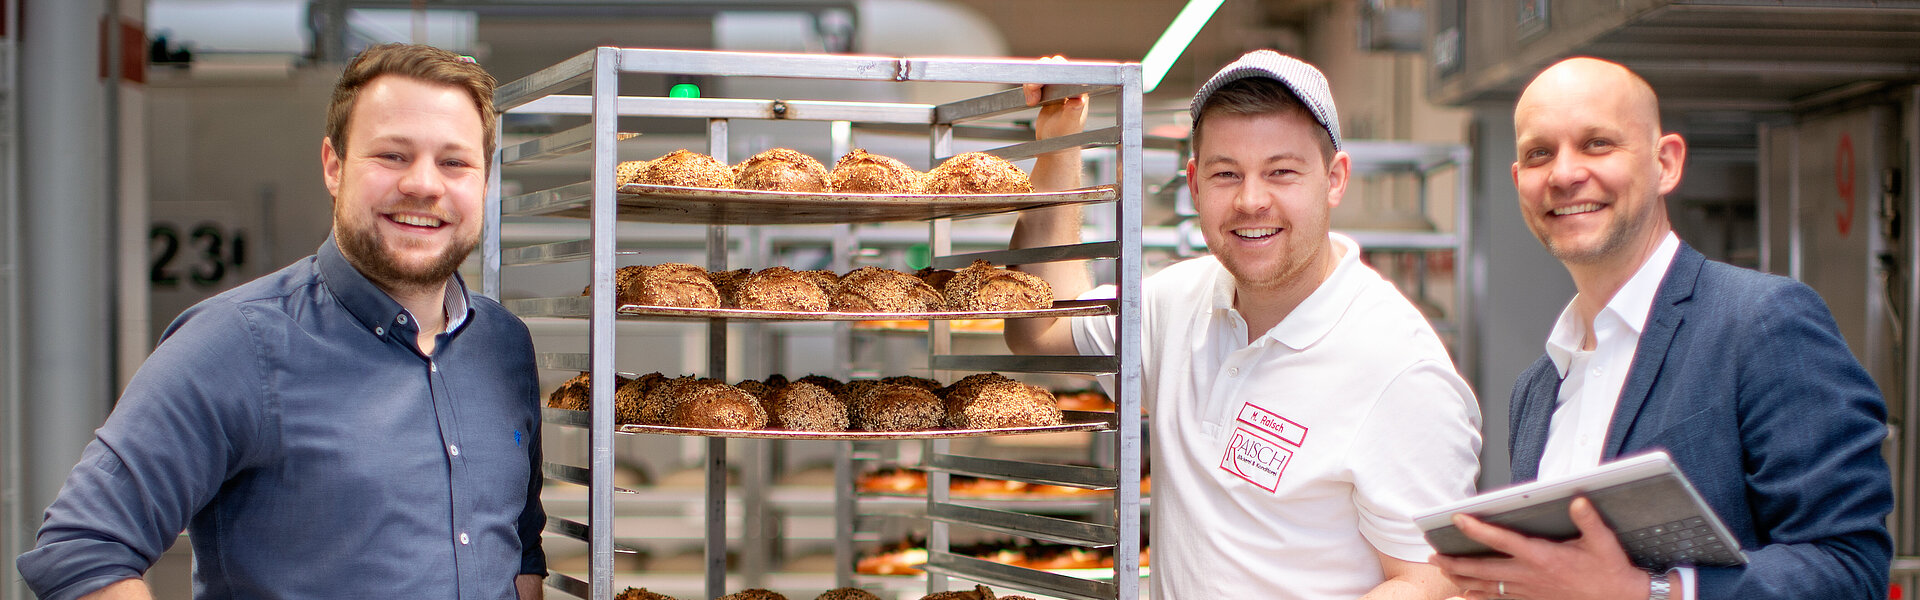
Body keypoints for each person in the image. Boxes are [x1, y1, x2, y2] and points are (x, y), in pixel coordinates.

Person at [16, 43, 547, 600]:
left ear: (484, 183)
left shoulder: (504, 345)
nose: (424, 184)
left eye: (454, 162)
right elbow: (82, 549)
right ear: (334, 167)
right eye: (392, 155)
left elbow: (519, 543)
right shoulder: (237, 343)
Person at [1010, 50, 1482, 599]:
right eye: (1226, 174)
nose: (1251, 200)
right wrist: (1060, 134)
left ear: (1334, 179)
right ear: (1193, 183)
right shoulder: (1173, 303)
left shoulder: (1399, 368)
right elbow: (1037, 326)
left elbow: (1435, 583)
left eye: (1281, 172)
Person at [1429, 57, 1893, 600]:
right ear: (1518, 181)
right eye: (1539, 153)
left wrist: (1646, 592)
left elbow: (1850, 571)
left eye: (1597, 143)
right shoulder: (1535, 389)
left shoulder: (1762, 322)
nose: (1564, 173)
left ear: (1666, 163)